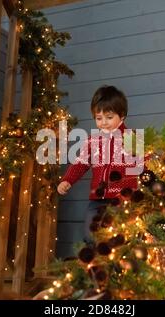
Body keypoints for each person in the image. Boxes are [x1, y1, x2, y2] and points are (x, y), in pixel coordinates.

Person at [57, 85, 142, 243]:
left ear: (122, 116)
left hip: (122, 199)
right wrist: (67, 180)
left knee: (119, 238)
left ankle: (119, 266)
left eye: (109, 117)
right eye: (99, 118)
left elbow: (144, 164)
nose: (103, 122)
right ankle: (94, 266)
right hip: (97, 199)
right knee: (90, 235)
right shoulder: (93, 141)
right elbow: (80, 163)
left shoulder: (132, 138)